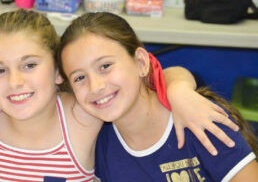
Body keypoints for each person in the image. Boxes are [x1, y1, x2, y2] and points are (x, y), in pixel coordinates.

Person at [0, 9, 239, 181]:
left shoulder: (83, 114)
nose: (15, 82)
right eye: (0, 70)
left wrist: (181, 89)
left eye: (30, 65)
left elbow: (145, 75)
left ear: (57, 74)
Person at [58, 12, 258, 181]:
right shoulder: (97, 140)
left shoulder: (198, 118)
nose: (96, 86)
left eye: (105, 66)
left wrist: (179, 86)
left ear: (141, 63)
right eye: (80, 77)